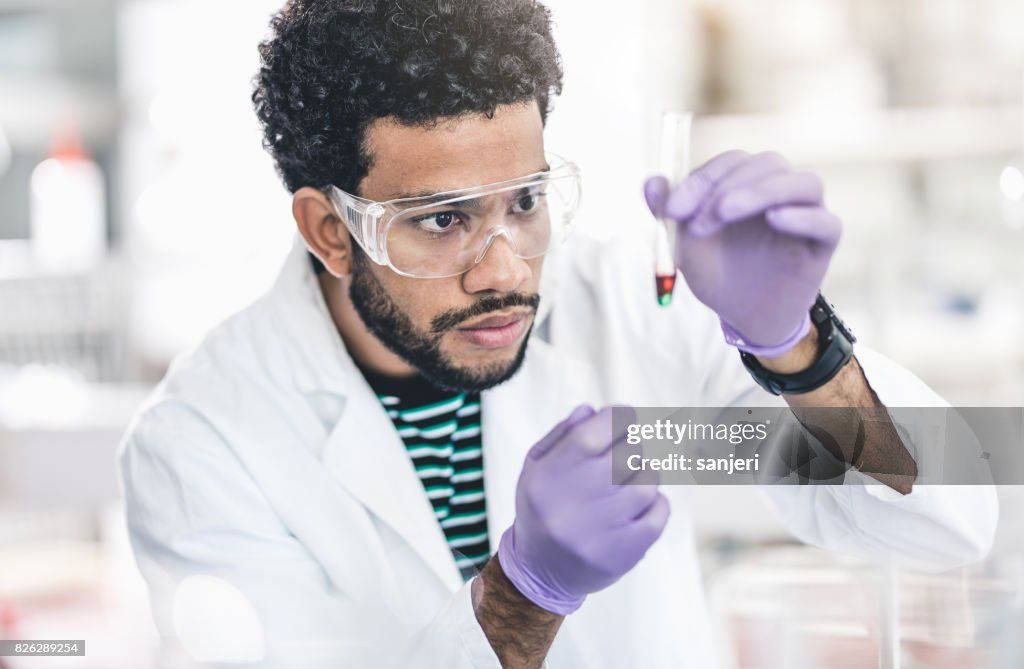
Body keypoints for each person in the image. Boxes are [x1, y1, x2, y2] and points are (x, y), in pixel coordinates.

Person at [118, 0, 998, 667]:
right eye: (442, 221)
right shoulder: (203, 443)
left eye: (527, 202)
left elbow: (943, 520)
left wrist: (798, 351)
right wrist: (524, 591)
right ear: (329, 229)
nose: (503, 269)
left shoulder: (629, 310)